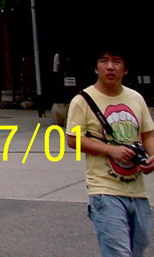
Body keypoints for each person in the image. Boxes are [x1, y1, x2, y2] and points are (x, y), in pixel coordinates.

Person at [67, 43, 154, 257]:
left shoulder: (136, 98)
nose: (110, 67)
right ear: (96, 68)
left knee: (138, 250)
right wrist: (110, 150)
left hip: (137, 191)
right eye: (104, 61)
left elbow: (147, 134)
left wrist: (152, 156)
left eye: (116, 61)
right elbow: (73, 139)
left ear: (125, 69)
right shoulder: (82, 100)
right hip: (104, 191)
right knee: (118, 253)